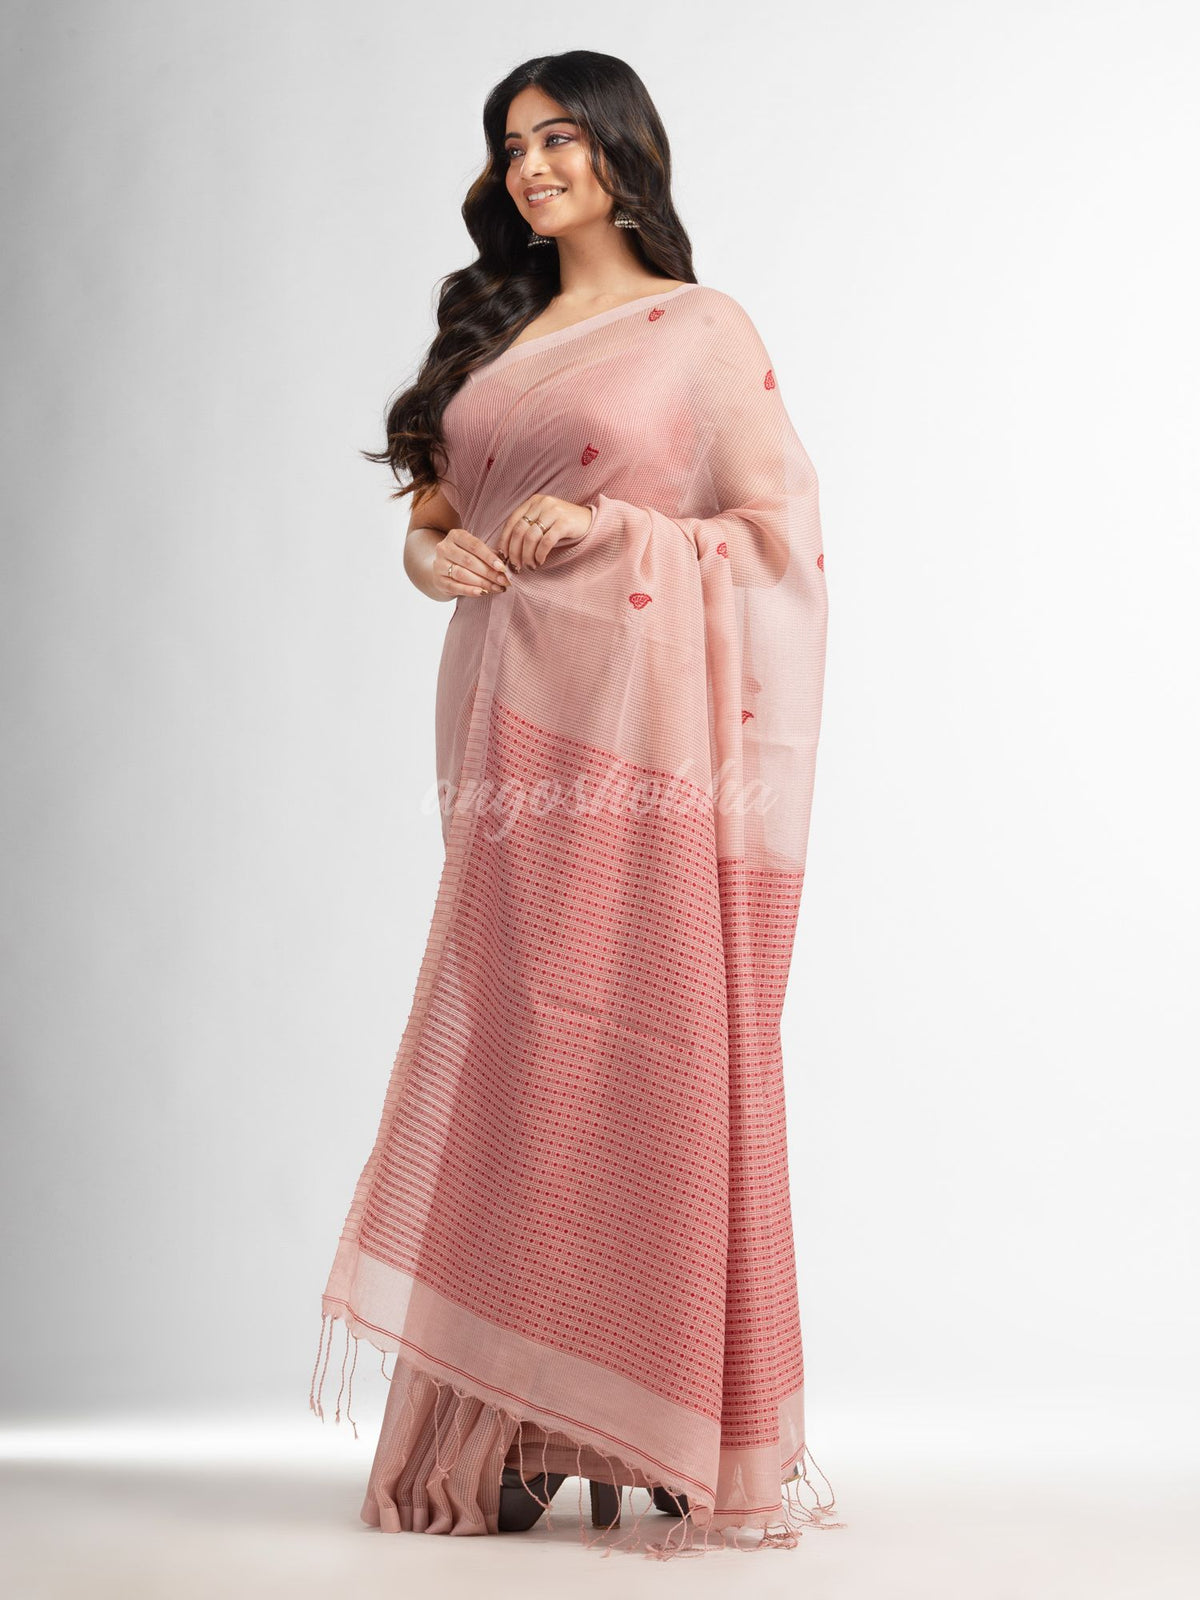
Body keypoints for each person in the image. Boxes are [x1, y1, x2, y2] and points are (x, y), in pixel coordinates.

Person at [309, 49, 842, 1561]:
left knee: (651, 1032)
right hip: (508, 715)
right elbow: (433, 515)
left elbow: (776, 539)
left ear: (622, 151)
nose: (531, 166)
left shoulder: (702, 331)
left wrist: (609, 526)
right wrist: (436, 557)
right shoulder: (494, 329)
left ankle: (647, 1417)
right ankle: (512, 1415)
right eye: (510, 146)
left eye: (557, 138)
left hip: (648, 732)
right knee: (524, 1032)